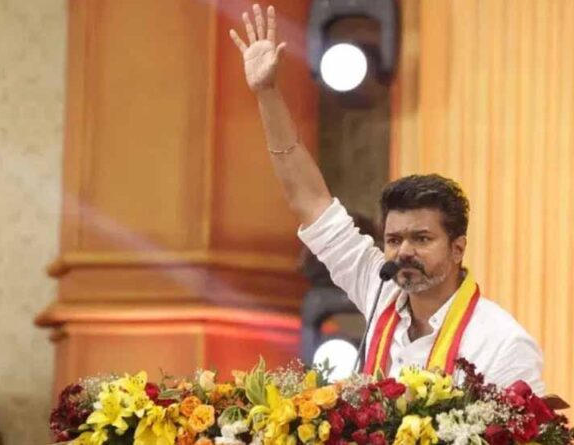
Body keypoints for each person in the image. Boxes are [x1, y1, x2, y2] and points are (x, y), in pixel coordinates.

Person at [229, 4, 545, 393]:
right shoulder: (379, 289)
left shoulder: (502, 342)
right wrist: (267, 94)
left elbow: (529, 424)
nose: (403, 252)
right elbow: (308, 199)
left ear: (458, 248)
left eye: (422, 238)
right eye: (393, 240)